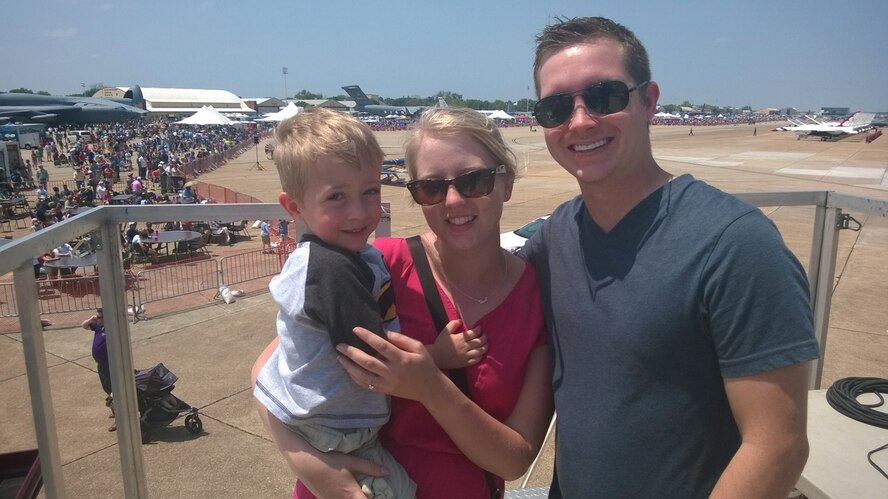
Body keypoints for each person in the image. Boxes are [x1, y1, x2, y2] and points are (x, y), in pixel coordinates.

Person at [523, 16, 819, 497]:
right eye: (556, 107)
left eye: (605, 97)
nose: (579, 121)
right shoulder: (556, 235)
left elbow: (778, 446)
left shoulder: (735, 244)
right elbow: (472, 273)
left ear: (649, 101)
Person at [252, 107, 553, 499]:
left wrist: (431, 386)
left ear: (506, 183)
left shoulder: (537, 296)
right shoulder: (381, 264)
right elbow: (268, 372)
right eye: (431, 187)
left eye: (474, 180)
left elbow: (515, 461)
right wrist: (306, 462)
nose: (453, 200)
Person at [252, 108, 417, 499]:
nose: (359, 212)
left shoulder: (341, 256)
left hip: (323, 421)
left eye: (370, 191)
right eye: (337, 197)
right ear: (294, 208)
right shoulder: (331, 269)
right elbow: (370, 359)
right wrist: (442, 354)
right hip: (337, 431)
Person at [81, 309, 116, 432]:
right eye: (98, 317)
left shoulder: (111, 329)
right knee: (107, 388)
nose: (98, 319)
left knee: (114, 390)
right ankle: (114, 410)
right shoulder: (98, 327)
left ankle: (119, 417)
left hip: (109, 365)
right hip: (101, 365)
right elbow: (83, 326)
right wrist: (91, 319)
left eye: (100, 317)